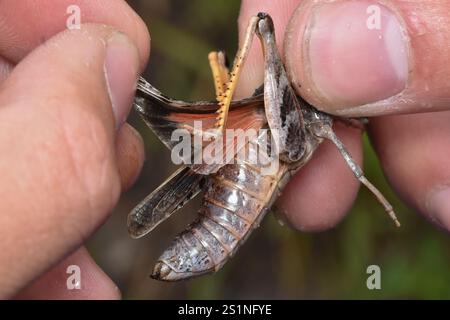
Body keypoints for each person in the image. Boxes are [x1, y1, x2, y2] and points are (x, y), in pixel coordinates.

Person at [0, 0, 448, 299]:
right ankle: (215, 135)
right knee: (263, 28)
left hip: (256, 151)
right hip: (256, 145)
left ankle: (217, 138)